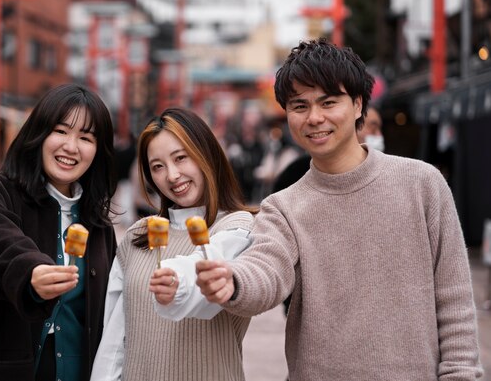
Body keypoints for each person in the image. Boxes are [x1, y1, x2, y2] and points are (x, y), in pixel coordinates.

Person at [196, 38, 483, 380]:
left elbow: (454, 300)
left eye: (328, 102)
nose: (314, 118)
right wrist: (234, 281)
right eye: (299, 106)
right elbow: (266, 271)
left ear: (359, 105)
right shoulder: (283, 207)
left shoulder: (422, 184)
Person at [0, 84, 118, 381]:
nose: (71, 147)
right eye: (60, 131)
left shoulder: (98, 225)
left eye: (85, 138)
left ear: (98, 151)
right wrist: (31, 272)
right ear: (38, 134)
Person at [90, 107, 257, 381]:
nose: (172, 175)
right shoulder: (137, 235)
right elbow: (115, 339)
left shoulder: (237, 228)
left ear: (206, 154)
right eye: (158, 166)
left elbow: (206, 284)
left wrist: (175, 282)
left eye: (181, 158)